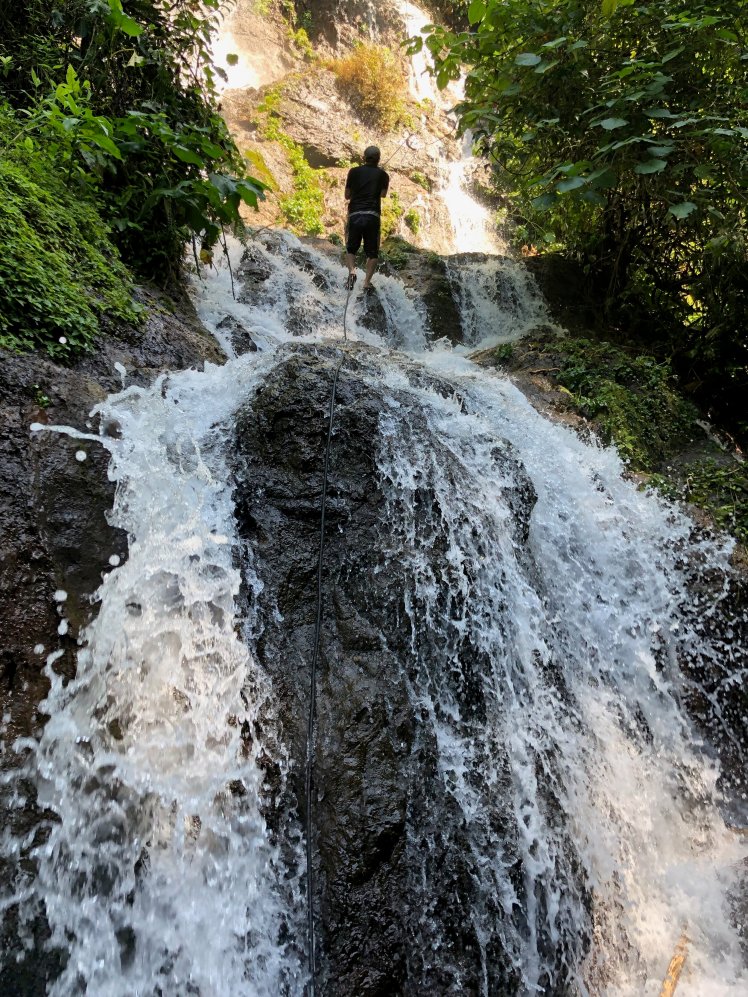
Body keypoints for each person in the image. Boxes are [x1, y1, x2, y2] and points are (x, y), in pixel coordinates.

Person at [344, 145, 389, 292]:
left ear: (364, 157)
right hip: (372, 216)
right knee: (372, 252)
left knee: (351, 248)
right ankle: (366, 283)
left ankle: (352, 271)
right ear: (378, 158)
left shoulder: (353, 172)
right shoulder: (383, 175)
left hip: (355, 214)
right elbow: (382, 194)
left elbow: (347, 195)